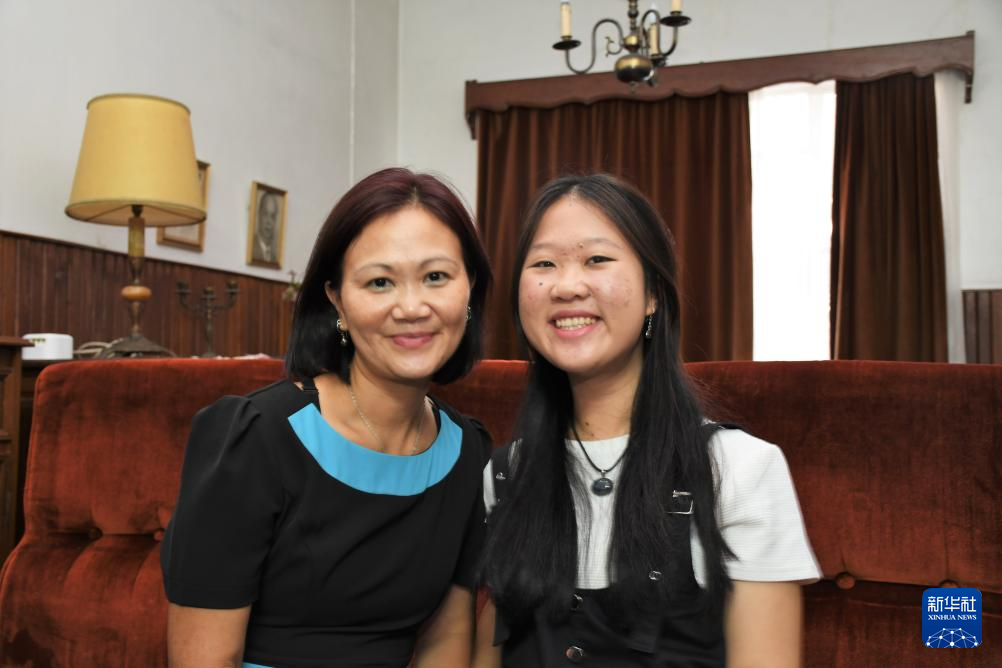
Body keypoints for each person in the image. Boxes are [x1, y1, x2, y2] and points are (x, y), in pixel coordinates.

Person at [475, 174, 820, 667]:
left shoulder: (741, 469)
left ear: (653, 293)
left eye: (597, 259)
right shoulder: (505, 474)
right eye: (544, 264)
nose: (567, 286)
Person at [162, 167, 493, 667]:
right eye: (379, 282)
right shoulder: (255, 438)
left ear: (469, 288)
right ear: (336, 298)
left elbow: (446, 639)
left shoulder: (466, 452)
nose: (411, 307)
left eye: (436, 277)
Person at [253, 191, 280, 263]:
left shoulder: (274, 259)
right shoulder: (251, 248)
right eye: (265, 214)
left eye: (272, 216)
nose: (269, 222)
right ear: (259, 215)